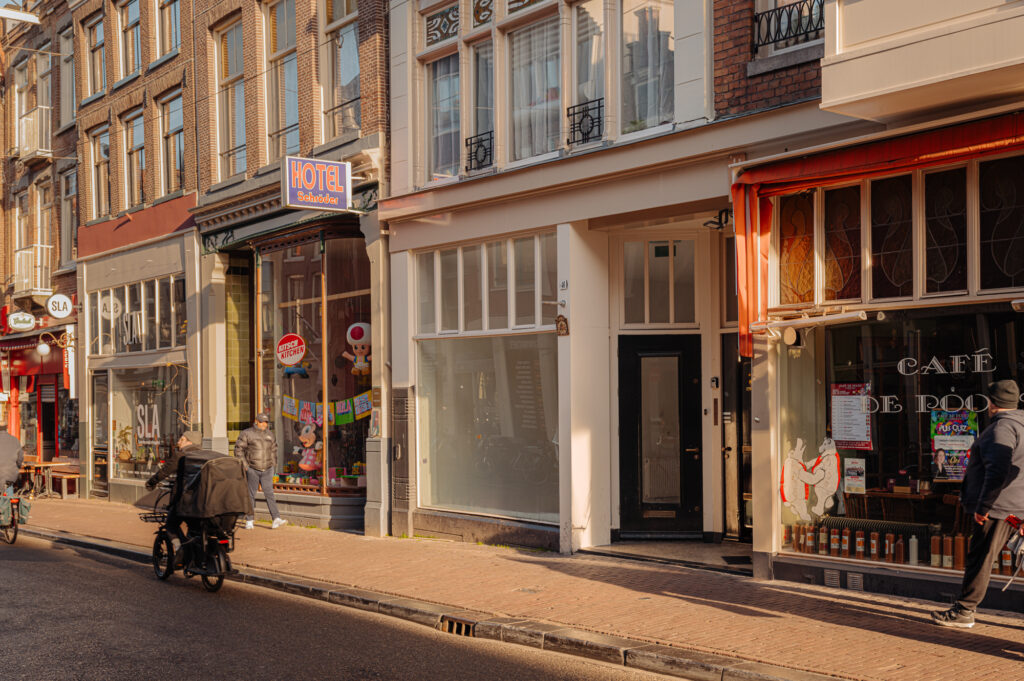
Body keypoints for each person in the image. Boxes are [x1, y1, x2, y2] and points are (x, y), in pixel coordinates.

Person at [933, 380, 1024, 628]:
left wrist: (983, 507)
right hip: (1016, 510)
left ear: (992, 403)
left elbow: (997, 471)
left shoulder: (1002, 429)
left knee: (981, 557)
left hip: (999, 511)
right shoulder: (1020, 425)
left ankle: (964, 611)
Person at [146, 430, 204, 546]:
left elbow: (164, 472)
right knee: (196, 527)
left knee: (171, 525)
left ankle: (179, 549)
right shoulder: (204, 455)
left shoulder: (181, 455)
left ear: (190, 442)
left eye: (182, 440)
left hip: (184, 500)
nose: (178, 442)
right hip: (201, 501)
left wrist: (151, 482)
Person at [234, 413, 286, 530]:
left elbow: (274, 449)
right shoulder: (247, 433)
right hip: (252, 468)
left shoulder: (270, 434)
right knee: (250, 495)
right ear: (256, 421)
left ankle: (276, 518)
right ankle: (249, 520)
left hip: (267, 468)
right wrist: (246, 466)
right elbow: (238, 450)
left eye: (266, 422)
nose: (264, 424)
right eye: (262, 421)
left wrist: (273, 464)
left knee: (270, 494)